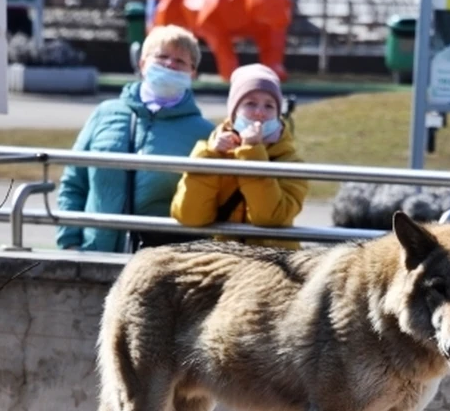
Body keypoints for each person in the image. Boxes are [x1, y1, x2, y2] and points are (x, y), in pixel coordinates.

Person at [56, 25, 215, 253]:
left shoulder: (204, 133)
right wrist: (69, 242)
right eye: (161, 57)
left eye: (180, 61)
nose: (170, 64)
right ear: (142, 64)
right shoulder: (105, 113)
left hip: (158, 268)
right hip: (93, 254)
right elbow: (74, 182)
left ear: (193, 73)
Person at [170, 63, 308, 249]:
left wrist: (251, 152)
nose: (260, 112)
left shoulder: (290, 161)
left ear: (278, 114)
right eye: (250, 103)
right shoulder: (211, 152)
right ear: (233, 113)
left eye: (269, 106)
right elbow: (190, 216)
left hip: (274, 267)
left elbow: (271, 218)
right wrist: (209, 157)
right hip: (223, 263)